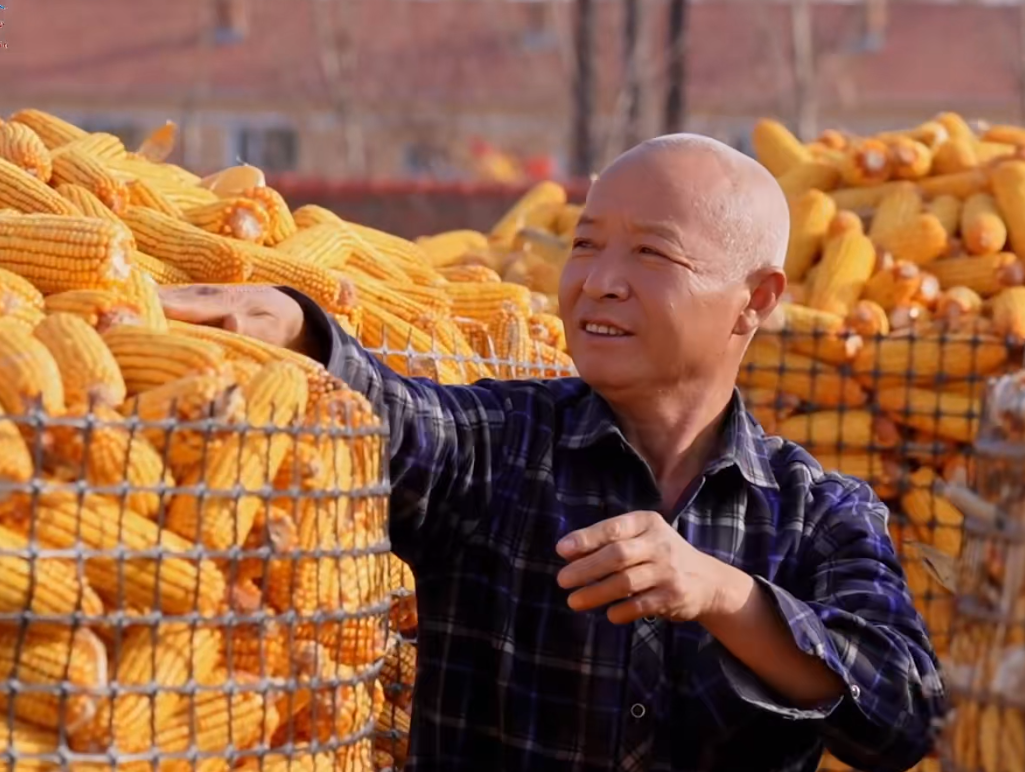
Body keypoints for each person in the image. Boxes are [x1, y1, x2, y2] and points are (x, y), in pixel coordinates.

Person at [160, 135, 945, 772]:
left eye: (651, 254)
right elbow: (392, 415)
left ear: (756, 299)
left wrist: (718, 593)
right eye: (585, 245)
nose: (599, 281)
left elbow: (902, 714)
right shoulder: (501, 445)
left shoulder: (817, 514)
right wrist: (301, 330)